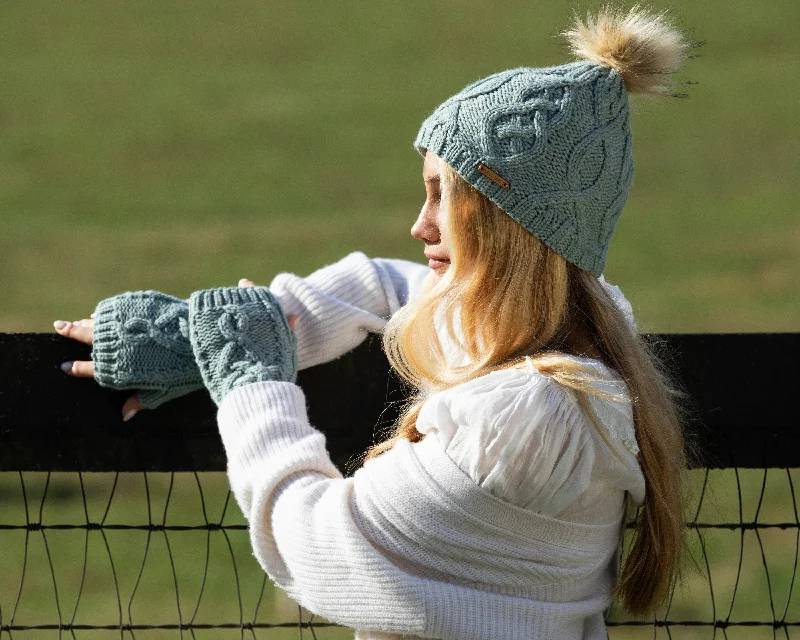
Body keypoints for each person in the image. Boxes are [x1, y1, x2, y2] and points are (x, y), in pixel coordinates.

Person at [54, 6, 691, 639]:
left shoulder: (523, 418)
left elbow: (317, 543)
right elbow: (392, 285)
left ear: (503, 221)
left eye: (444, 195)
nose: (421, 224)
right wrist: (218, 332)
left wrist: (250, 377)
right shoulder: (578, 339)